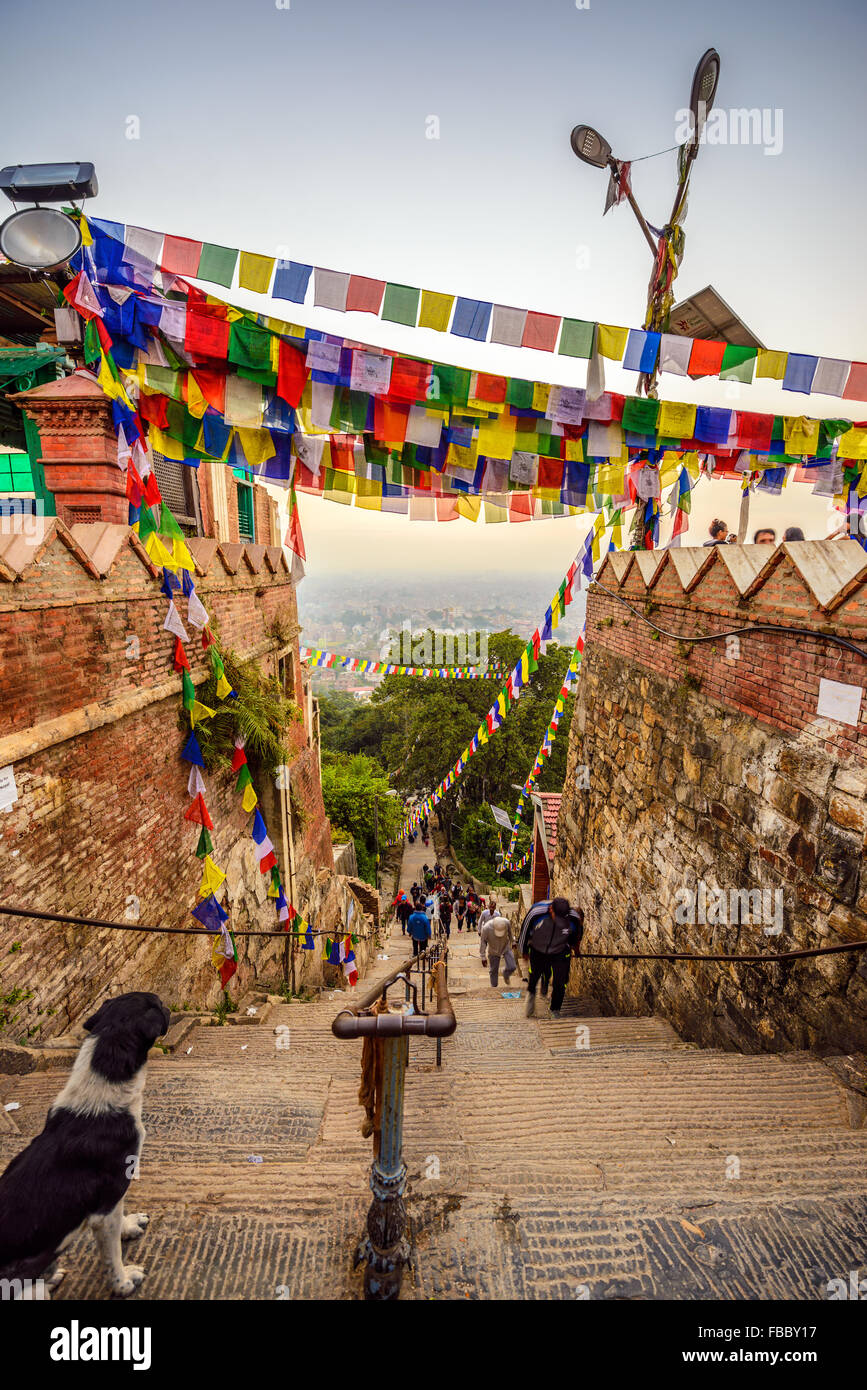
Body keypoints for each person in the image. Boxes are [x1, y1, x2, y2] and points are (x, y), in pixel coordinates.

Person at [523, 898, 584, 1020]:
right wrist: (525, 951)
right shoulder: (536, 913)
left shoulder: (573, 919)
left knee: (560, 982)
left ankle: (555, 1009)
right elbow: (524, 933)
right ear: (551, 909)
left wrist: (576, 950)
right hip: (539, 948)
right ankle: (531, 994)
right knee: (534, 975)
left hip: (560, 951)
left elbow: (576, 937)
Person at [479, 909, 517, 988]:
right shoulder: (486, 928)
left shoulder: (506, 922)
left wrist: (513, 942)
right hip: (493, 949)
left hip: (505, 946)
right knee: (493, 971)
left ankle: (506, 974)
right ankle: (494, 987)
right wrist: (483, 956)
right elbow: (483, 942)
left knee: (512, 966)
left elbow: (510, 933)